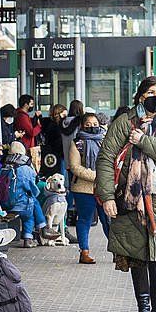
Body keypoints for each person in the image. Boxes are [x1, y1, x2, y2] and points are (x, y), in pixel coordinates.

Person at [95, 76, 156, 312]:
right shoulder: (124, 122)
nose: (154, 96)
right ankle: (143, 308)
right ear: (140, 96)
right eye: (149, 92)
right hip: (128, 197)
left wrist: (144, 140)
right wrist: (107, 197)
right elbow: (105, 158)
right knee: (137, 253)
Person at [66, 112, 111, 265]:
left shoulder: (105, 140)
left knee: (108, 220)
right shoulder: (77, 142)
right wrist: (97, 176)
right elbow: (74, 167)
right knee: (84, 219)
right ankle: (84, 252)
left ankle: (118, 252)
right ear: (82, 125)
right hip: (83, 188)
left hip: (104, 187)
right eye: (88, 124)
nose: (92, 127)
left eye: (95, 124)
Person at [3, 142, 45, 248]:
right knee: (29, 215)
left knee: (31, 201)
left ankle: (43, 227)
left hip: (4, 203)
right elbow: (32, 187)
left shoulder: (4, 167)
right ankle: (29, 238)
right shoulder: (25, 168)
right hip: (19, 204)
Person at [39, 103, 67, 179]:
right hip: (59, 153)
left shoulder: (49, 123)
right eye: (64, 114)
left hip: (52, 153)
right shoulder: (57, 126)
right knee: (61, 174)